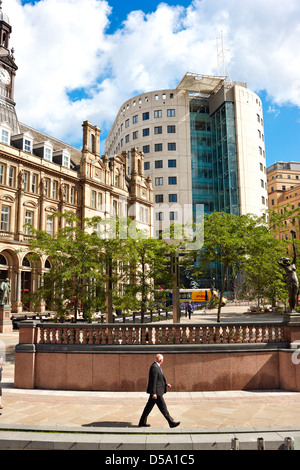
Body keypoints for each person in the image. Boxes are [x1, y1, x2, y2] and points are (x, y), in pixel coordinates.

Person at [138, 354, 180, 428]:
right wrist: (154, 393)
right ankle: (171, 422)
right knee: (163, 408)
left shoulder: (157, 366)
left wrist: (166, 384)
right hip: (157, 393)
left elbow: (159, 379)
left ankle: (142, 422)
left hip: (156, 391)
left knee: (148, 408)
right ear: (161, 360)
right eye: (163, 360)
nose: (163, 361)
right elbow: (153, 381)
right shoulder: (154, 367)